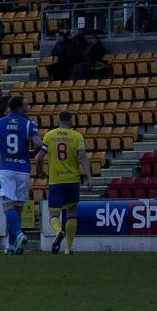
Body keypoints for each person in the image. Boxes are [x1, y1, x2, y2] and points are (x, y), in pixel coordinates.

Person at [0, 95, 41, 254]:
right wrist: (31, 153)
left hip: (6, 169)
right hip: (23, 170)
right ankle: (11, 247)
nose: (28, 107)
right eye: (26, 105)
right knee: (17, 209)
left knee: (7, 207)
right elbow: (39, 143)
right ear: (19, 107)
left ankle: (18, 234)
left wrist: (3, 149)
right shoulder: (29, 124)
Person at [41, 108, 90, 255]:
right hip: (72, 180)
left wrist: (41, 170)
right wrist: (89, 177)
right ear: (71, 120)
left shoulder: (49, 136)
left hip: (55, 180)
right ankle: (68, 248)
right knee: (72, 213)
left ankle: (58, 231)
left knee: (53, 214)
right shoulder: (77, 136)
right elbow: (82, 158)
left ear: (58, 120)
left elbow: (38, 157)